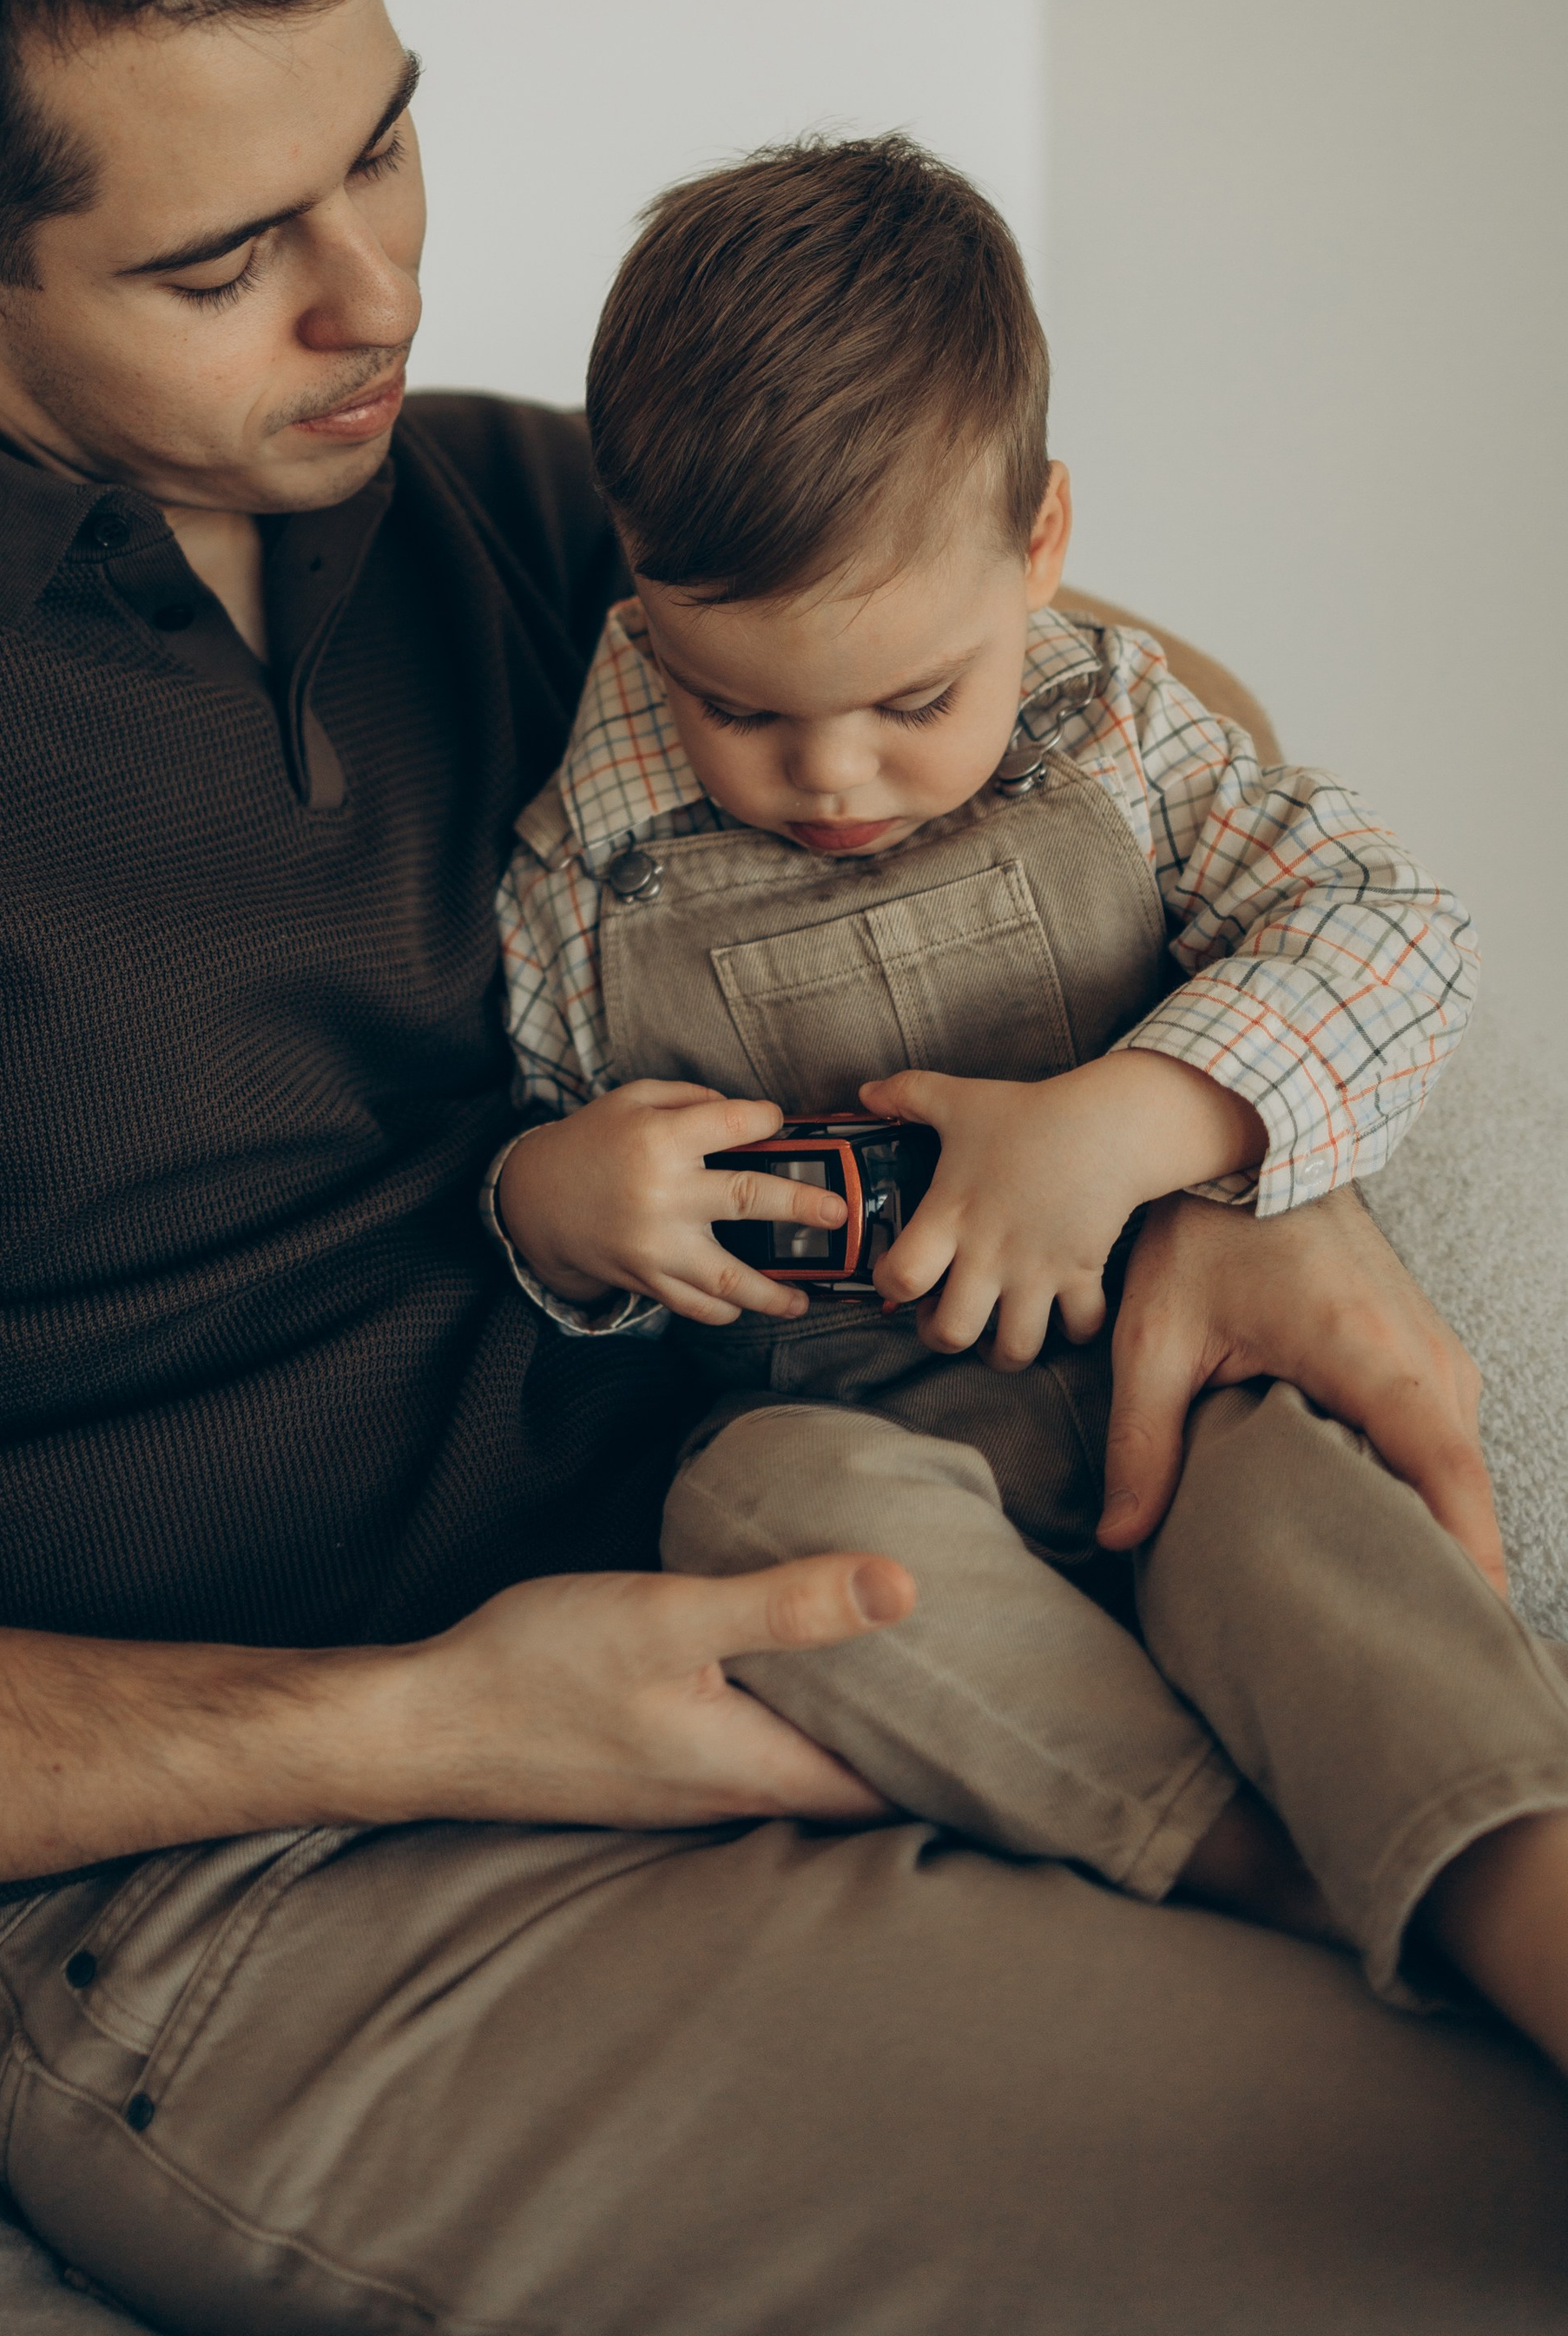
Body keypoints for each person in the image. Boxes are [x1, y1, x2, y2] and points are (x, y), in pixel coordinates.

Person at [0, 0, 1565, 2333]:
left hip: (852, 1600)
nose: (376, 296)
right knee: (1437, 2223)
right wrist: (421, 1723)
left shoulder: (522, 521)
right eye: (223, 256)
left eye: (386, 152)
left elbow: (1105, 682)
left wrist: (1217, 1138)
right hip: (285, 1898)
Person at [491, 133, 1568, 2033]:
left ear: (1042, 545)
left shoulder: (1120, 734)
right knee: (746, 1509)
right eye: (733, 704)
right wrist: (563, 1214)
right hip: (868, 1436)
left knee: (1299, 1521)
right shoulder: (581, 860)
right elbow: (512, 1146)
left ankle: (1512, 1877)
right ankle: (1247, 1869)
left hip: (1166, 1361)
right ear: (641, 595)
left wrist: (1135, 1121)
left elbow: (1398, 931)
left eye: (913, 700)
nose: (830, 776)